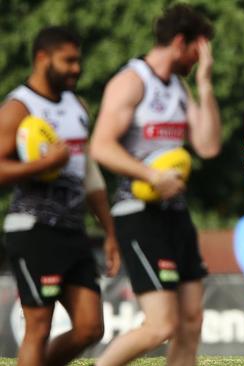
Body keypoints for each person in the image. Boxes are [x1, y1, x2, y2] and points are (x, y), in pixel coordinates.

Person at [89, 4, 222, 365]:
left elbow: (208, 146)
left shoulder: (179, 88)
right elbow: (100, 145)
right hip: (138, 212)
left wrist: (205, 83)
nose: (200, 58)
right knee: (160, 325)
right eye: (199, 50)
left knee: (191, 321)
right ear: (181, 42)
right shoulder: (132, 81)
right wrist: (151, 176)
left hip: (176, 214)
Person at [0, 26, 120, 366]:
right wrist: (44, 164)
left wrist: (110, 231)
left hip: (73, 232)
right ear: (42, 58)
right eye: (68, 61)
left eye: (78, 60)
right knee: (38, 328)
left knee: (90, 327)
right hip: (33, 229)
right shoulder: (18, 107)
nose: (76, 68)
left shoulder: (78, 106)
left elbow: (89, 173)